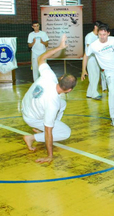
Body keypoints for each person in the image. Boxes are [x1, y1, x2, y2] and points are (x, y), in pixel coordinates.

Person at [22, 34, 77, 163]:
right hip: (31, 117)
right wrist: (49, 156)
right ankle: (31, 137)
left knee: (62, 104)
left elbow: (41, 58)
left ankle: (48, 123)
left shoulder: (49, 75)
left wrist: (60, 47)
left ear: (60, 78)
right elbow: (48, 132)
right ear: (69, 90)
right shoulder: (52, 103)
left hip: (27, 105)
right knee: (65, 133)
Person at [85, 20, 104, 100]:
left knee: (95, 76)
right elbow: (89, 47)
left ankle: (89, 93)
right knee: (94, 76)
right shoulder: (89, 36)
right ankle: (94, 94)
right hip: (90, 59)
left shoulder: (98, 36)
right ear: (95, 27)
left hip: (97, 59)